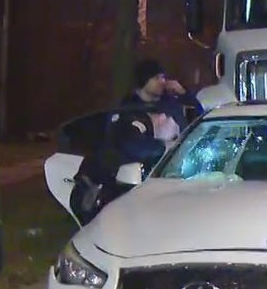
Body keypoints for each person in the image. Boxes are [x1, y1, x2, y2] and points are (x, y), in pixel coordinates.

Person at [69, 58, 198, 224]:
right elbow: (132, 145)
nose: (163, 82)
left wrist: (185, 95)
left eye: (163, 77)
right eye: (156, 78)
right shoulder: (127, 110)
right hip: (134, 180)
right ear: (144, 80)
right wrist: (166, 147)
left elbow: (200, 118)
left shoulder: (171, 104)